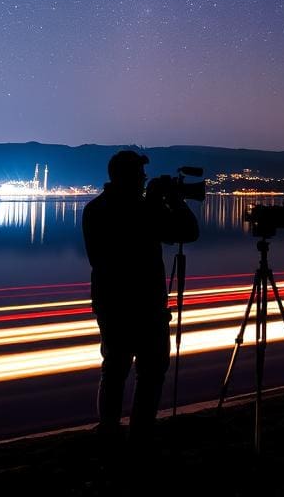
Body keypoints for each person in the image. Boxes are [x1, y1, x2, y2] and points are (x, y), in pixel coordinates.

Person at [82, 150, 199, 446]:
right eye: (141, 175)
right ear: (129, 176)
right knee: (150, 373)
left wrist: (156, 202)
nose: (144, 180)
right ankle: (140, 434)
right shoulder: (142, 209)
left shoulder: (95, 208)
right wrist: (171, 201)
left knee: (114, 370)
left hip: (111, 304)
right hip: (145, 305)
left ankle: (109, 432)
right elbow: (188, 231)